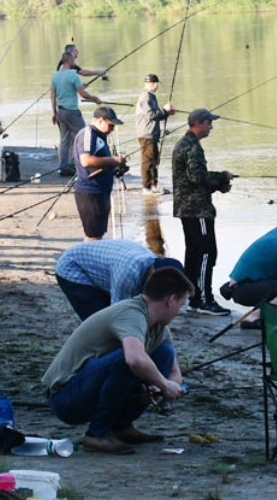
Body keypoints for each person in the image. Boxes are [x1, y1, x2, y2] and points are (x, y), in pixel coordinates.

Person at [42, 266, 192, 454]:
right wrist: (163, 384)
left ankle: (121, 427)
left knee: (164, 352)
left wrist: (160, 386)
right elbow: (134, 359)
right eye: (182, 304)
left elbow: (174, 373)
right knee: (128, 359)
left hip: (88, 388)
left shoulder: (158, 326)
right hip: (66, 396)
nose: (180, 311)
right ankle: (97, 435)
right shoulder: (131, 314)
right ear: (171, 300)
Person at [172, 108, 234, 316]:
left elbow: (194, 179)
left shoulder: (186, 143)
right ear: (198, 123)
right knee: (207, 253)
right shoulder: (192, 147)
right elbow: (197, 177)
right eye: (209, 123)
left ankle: (193, 297)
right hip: (197, 210)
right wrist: (222, 177)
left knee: (194, 253)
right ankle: (204, 300)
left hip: (187, 208)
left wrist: (218, 184)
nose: (211, 127)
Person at [55, 239, 185, 320]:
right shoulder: (128, 273)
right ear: (153, 268)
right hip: (72, 266)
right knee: (98, 321)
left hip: (103, 269)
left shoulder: (151, 267)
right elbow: (118, 313)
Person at [73, 107, 125, 241]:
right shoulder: (88, 133)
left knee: (98, 234)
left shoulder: (99, 136)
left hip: (100, 191)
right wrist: (112, 160)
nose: (112, 128)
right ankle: (86, 261)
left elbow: (100, 161)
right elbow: (86, 160)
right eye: (111, 125)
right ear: (101, 120)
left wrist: (114, 166)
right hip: (90, 192)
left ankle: (90, 261)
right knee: (93, 236)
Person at [51, 51, 102, 177]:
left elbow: (53, 96)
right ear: (70, 61)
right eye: (74, 59)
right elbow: (83, 94)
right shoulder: (74, 75)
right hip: (72, 111)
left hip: (60, 112)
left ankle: (63, 167)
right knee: (85, 136)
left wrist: (54, 113)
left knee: (64, 141)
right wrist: (94, 98)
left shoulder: (55, 76)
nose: (75, 62)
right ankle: (74, 163)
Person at [134, 73, 174, 195]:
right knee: (148, 160)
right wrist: (165, 111)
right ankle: (147, 188)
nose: (157, 86)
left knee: (153, 159)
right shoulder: (146, 97)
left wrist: (167, 113)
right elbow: (151, 115)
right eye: (156, 84)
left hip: (151, 133)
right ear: (153, 84)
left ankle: (154, 185)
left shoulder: (149, 96)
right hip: (147, 133)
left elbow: (155, 114)